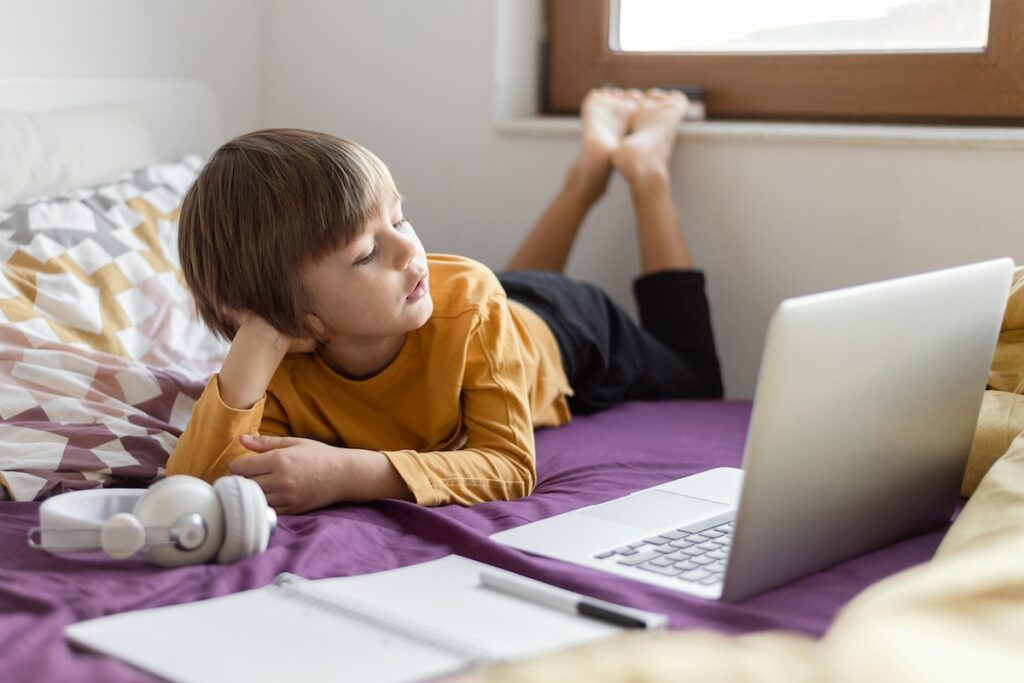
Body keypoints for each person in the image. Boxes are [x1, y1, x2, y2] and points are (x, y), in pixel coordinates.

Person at [166, 88, 722, 514]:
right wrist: (259, 339)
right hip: (479, 309)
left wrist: (352, 473)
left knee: (698, 378)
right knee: (494, 286)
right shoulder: (281, 362)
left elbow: (508, 468)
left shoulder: (467, 305)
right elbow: (187, 490)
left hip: (567, 332)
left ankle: (639, 171)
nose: (411, 250)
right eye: (366, 254)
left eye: (400, 217)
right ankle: (588, 173)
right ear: (298, 321)